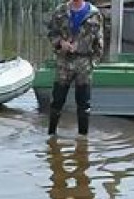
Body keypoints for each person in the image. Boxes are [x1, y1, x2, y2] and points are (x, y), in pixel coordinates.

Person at [46, 0, 104, 137]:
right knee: (57, 101)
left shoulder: (94, 14)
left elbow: (99, 42)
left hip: (84, 64)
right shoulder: (60, 11)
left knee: (84, 105)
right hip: (64, 63)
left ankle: (83, 140)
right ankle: (51, 136)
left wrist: (93, 63)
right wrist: (60, 43)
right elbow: (51, 33)